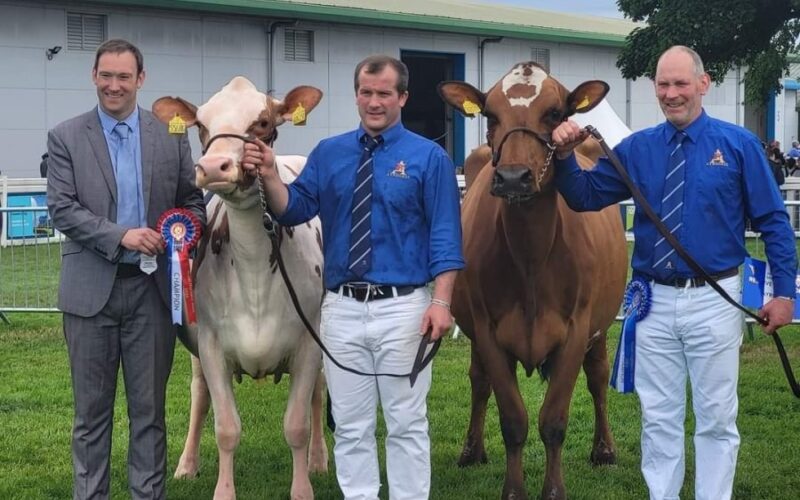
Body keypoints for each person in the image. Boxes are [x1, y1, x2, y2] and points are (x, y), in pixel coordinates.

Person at [551, 46, 796, 500]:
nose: (671, 93)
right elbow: (584, 196)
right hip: (653, 302)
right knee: (658, 415)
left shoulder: (738, 145)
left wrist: (785, 293)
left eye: (681, 83)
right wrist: (565, 157)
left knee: (717, 416)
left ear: (703, 84)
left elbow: (774, 222)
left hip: (714, 298)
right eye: (663, 85)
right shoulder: (637, 149)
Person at [241, 54, 464, 499]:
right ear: (356, 95)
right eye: (366, 92)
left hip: (405, 308)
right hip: (341, 309)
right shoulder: (329, 153)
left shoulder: (429, 158)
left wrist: (442, 302)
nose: (374, 102)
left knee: (405, 422)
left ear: (402, 97)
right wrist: (268, 173)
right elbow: (295, 208)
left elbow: (445, 236)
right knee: (350, 424)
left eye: (384, 93)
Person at [46, 39, 205, 500]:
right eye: (106, 76)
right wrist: (122, 236)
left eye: (123, 77)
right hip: (89, 295)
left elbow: (191, 203)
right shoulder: (65, 137)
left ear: (141, 79)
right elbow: (62, 208)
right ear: (93, 77)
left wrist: (182, 230)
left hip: (151, 294)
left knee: (149, 414)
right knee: (91, 417)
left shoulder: (170, 135)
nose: (114, 86)